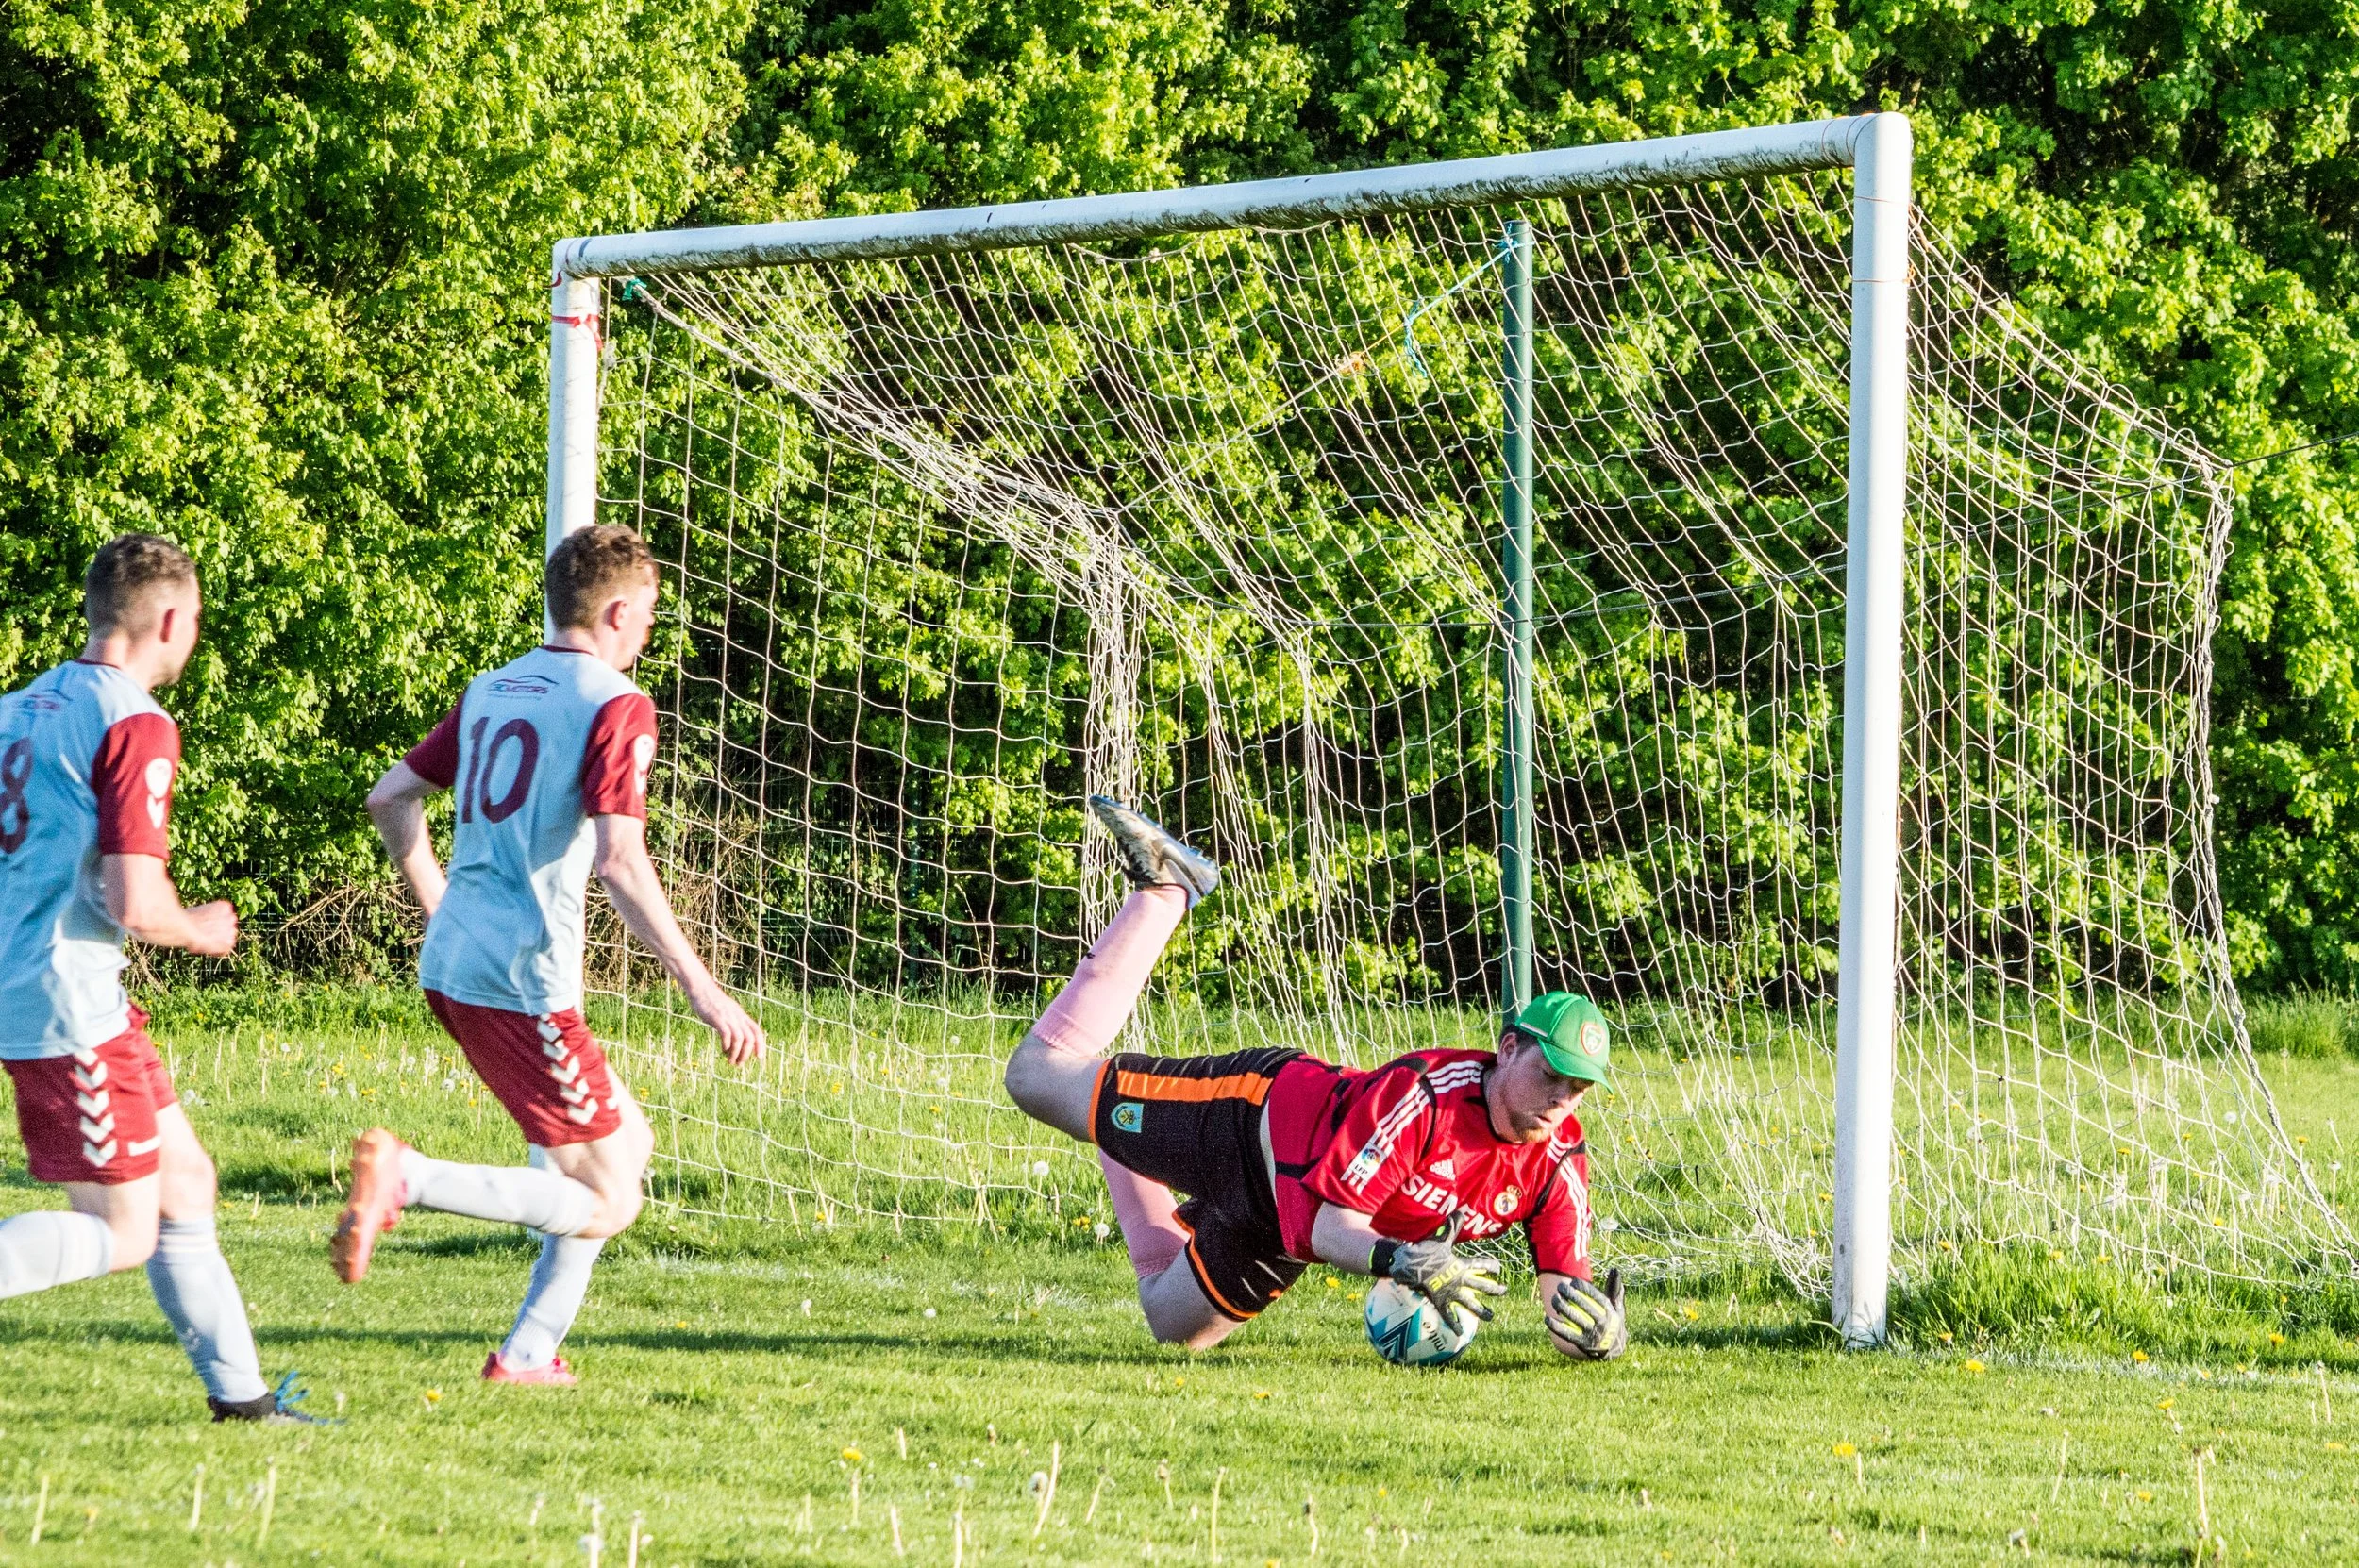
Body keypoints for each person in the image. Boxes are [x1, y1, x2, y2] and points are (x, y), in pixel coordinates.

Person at [343, 524, 765, 1385]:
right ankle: (409, 1179)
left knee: (628, 1144)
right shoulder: (615, 702)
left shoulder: (493, 688)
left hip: (460, 963)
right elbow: (621, 861)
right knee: (612, 1200)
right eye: (648, 612)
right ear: (618, 612)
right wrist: (704, 988)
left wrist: (442, 905)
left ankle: (529, 1354)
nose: (649, 629)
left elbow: (390, 798)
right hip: (521, 983)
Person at [1003, 795, 1629, 1359]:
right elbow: (1335, 1227)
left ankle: (1118, 1126)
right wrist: (1401, 1260)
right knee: (1035, 1077)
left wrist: (1598, 1335)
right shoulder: (1426, 1096)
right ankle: (1168, 890)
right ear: (1509, 1048)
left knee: (1172, 1328)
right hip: (1250, 1121)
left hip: (1283, 1224)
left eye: (1577, 1088)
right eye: (1550, 1074)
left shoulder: (1559, 1160)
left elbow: (1565, 1307)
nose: (1561, 1098)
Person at [0, 534, 322, 1421]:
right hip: (64, 996)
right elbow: (136, 901)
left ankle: (245, 1403)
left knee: (184, 1183)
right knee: (122, 1231)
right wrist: (202, 931)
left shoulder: (16, 708)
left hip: (68, 989)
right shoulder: (134, 721)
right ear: (173, 619)